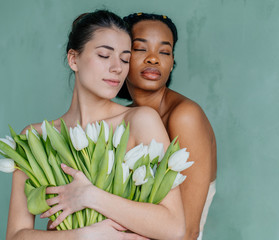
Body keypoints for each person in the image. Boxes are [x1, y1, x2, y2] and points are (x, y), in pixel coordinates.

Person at [6, 10, 185, 240]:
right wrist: (84, 235)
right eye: (104, 55)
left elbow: (175, 228)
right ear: (73, 59)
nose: (117, 68)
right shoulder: (35, 137)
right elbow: (15, 236)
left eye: (124, 59)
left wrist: (91, 196)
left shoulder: (140, 121)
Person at [117, 13, 217, 240]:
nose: (153, 59)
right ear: (121, 56)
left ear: (172, 64)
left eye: (164, 52)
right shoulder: (124, 118)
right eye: (141, 49)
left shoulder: (184, 116)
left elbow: (188, 231)